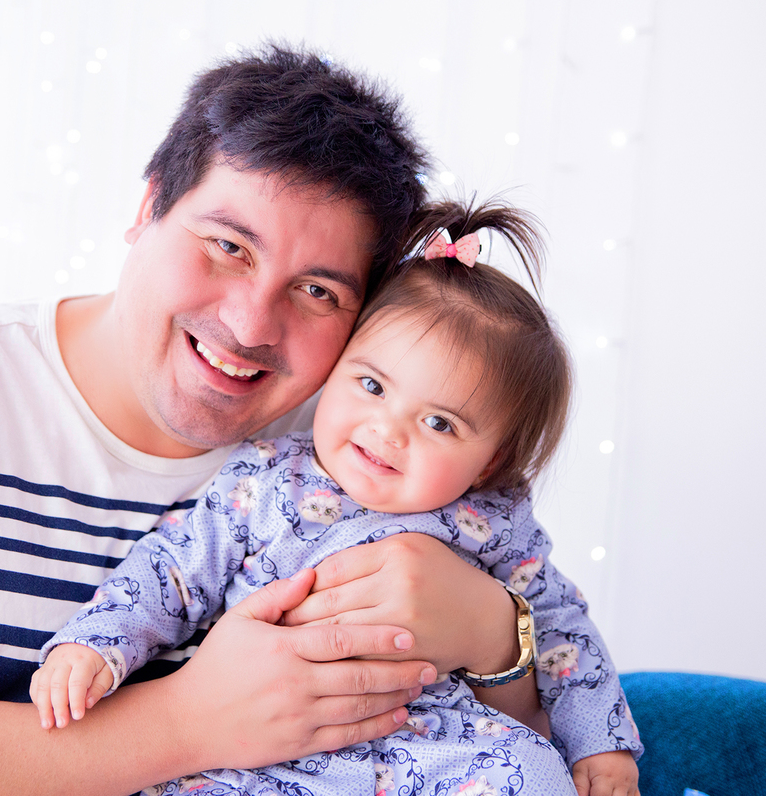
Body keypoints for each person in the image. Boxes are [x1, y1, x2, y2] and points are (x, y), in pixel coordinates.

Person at [0, 48, 539, 795]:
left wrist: (494, 637)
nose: (251, 321)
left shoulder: (354, 443)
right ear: (149, 203)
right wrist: (184, 726)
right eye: (229, 245)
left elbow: (500, 752)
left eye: (318, 291)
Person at [31, 200, 644, 796]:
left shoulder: (493, 521)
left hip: (427, 743)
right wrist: (96, 645)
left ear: (492, 462)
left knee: (532, 770)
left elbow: (562, 629)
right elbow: (173, 570)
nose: (388, 429)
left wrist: (602, 745)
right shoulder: (264, 480)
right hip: (262, 752)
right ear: (337, 367)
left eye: (439, 424)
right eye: (372, 385)